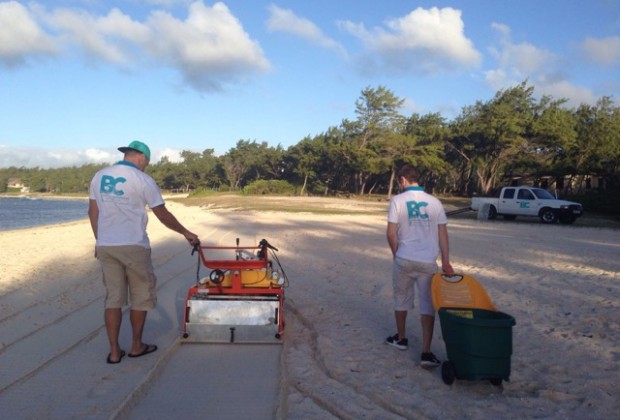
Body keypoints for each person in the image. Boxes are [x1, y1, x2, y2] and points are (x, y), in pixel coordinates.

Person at [88, 140, 199, 364]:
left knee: (113, 299)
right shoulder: (143, 179)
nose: (146, 165)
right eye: (147, 161)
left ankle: (114, 352)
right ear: (142, 158)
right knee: (140, 297)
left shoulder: (99, 176)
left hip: (106, 246)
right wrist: (185, 232)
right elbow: (161, 213)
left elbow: (92, 212)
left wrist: (100, 240)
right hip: (134, 245)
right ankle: (137, 346)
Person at [385, 163, 454, 368]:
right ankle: (426, 351)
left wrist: (396, 253)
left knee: (401, 298)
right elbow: (443, 234)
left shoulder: (397, 201)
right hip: (427, 262)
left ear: (403, 180)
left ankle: (401, 338)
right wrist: (446, 262)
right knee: (427, 305)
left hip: (404, 258)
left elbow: (390, 233)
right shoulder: (435, 202)